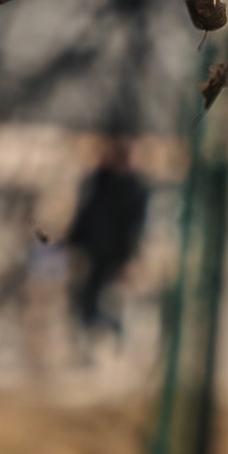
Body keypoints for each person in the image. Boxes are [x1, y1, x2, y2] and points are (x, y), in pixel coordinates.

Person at [64, 136, 149, 336]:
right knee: (86, 296)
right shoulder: (100, 181)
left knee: (110, 299)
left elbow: (135, 227)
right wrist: (74, 242)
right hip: (92, 249)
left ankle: (109, 331)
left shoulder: (135, 189)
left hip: (115, 255)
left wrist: (130, 258)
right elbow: (85, 214)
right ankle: (88, 327)